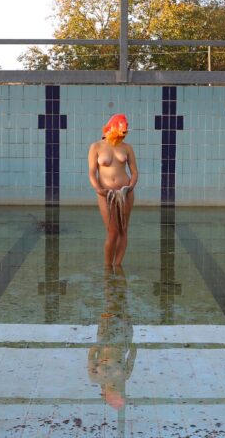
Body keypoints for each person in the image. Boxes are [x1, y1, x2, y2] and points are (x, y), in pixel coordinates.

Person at [88, 113, 138, 268]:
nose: (124, 134)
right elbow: (92, 172)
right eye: (122, 130)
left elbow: (134, 171)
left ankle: (118, 265)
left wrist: (130, 186)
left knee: (123, 230)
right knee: (112, 232)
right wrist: (98, 189)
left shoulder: (127, 147)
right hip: (106, 194)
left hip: (126, 193)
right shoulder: (96, 147)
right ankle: (108, 267)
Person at [87, 267, 136, 410]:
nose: (120, 394)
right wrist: (128, 340)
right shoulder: (124, 377)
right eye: (121, 396)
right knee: (123, 303)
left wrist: (100, 342)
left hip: (105, 335)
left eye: (116, 398)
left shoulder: (95, 378)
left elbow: (91, 355)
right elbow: (133, 354)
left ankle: (110, 270)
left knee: (110, 304)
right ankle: (117, 271)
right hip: (123, 336)